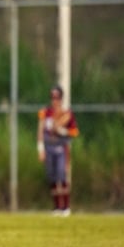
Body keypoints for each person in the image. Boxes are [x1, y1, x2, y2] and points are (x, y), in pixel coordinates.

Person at [37, 85, 80, 216]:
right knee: (52, 177)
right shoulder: (46, 113)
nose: (55, 100)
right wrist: (40, 148)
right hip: (49, 147)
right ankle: (57, 207)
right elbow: (40, 131)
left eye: (57, 98)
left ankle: (66, 207)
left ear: (61, 98)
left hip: (61, 148)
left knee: (62, 175)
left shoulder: (67, 114)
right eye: (53, 98)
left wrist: (61, 130)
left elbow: (74, 132)